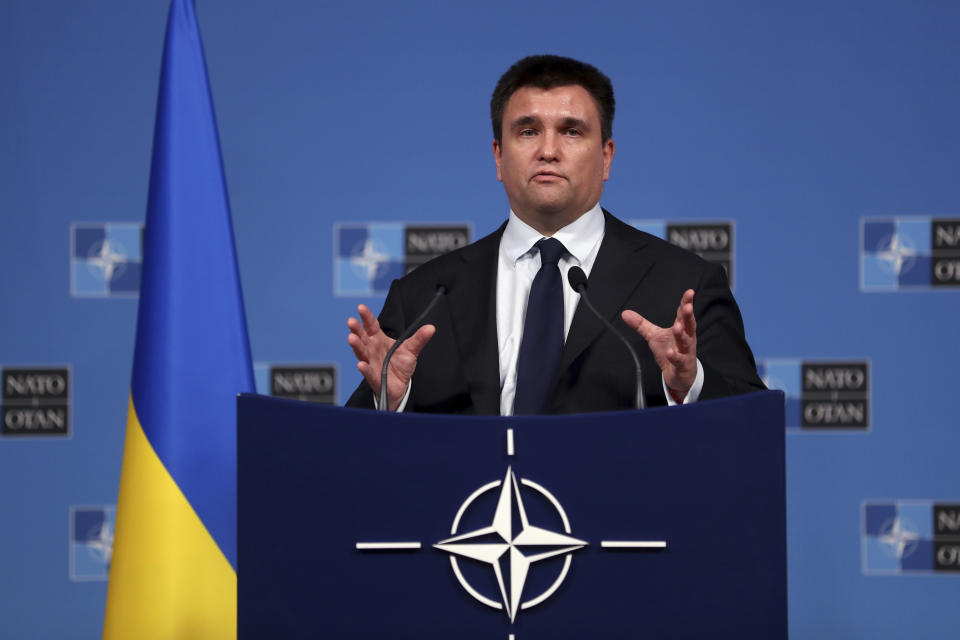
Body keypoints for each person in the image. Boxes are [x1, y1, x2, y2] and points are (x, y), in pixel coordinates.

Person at [346, 55, 764, 414]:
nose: (548, 150)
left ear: (606, 157)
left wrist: (689, 385)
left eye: (571, 131)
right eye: (527, 131)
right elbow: (353, 455)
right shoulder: (425, 297)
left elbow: (752, 431)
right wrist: (393, 402)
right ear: (498, 157)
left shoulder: (682, 287)